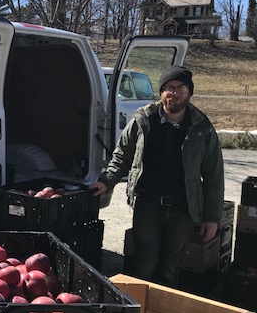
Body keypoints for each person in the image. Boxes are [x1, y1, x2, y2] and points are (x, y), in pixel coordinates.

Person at [90, 65, 224, 287]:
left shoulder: (202, 128)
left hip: (183, 211)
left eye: (181, 87)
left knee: (171, 270)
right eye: (169, 87)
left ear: (189, 92)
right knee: (143, 266)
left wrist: (212, 216)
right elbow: (121, 156)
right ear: (161, 92)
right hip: (148, 207)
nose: (175, 92)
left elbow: (214, 175)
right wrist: (106, 181)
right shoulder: (143, 121)